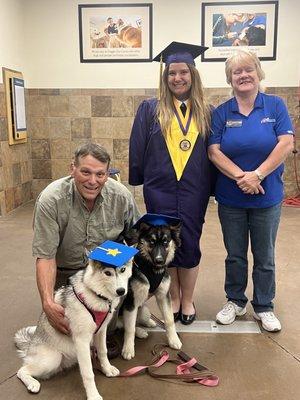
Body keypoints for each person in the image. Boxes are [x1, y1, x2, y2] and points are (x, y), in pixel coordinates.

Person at [129, 42, 216, 325]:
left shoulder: (206, 111)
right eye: (171, 73)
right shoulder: (150, 109)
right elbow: (138, 145)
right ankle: (173, 298)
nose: (177, 78)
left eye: (183, 72)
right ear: (165, 77)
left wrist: (214, 187)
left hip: (194, 189)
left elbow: (214, 151)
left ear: (193, 74)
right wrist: (138, 178)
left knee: (189, 242)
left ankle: (187, 300)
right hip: (160, 189)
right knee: (162, 244)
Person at [208, 50, 294, 332]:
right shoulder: (222, 112)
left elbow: (285, 144)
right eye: (237, 72)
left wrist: (257, 175)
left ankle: (264, 305)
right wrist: (241, 177)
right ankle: (235, 300)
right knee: (234, 254)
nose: (243, 76)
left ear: (258, 73)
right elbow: (213, 151)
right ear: (230, 79)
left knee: (264, 254)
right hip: (231, 198)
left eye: (248, 70)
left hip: (267, 198)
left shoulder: (275, 106)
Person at [32, 142, 140, 352]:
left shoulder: (122, 197)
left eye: (100, 174)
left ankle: (116, 321)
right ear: (72, 168)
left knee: (99, 334)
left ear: (108, 173)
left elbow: (135, 240)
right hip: (67, 274)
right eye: (85, 172)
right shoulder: (51, 199)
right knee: (67, 338)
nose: (92, 181)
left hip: (107, 273)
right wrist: (47, 303)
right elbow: (45, 256)